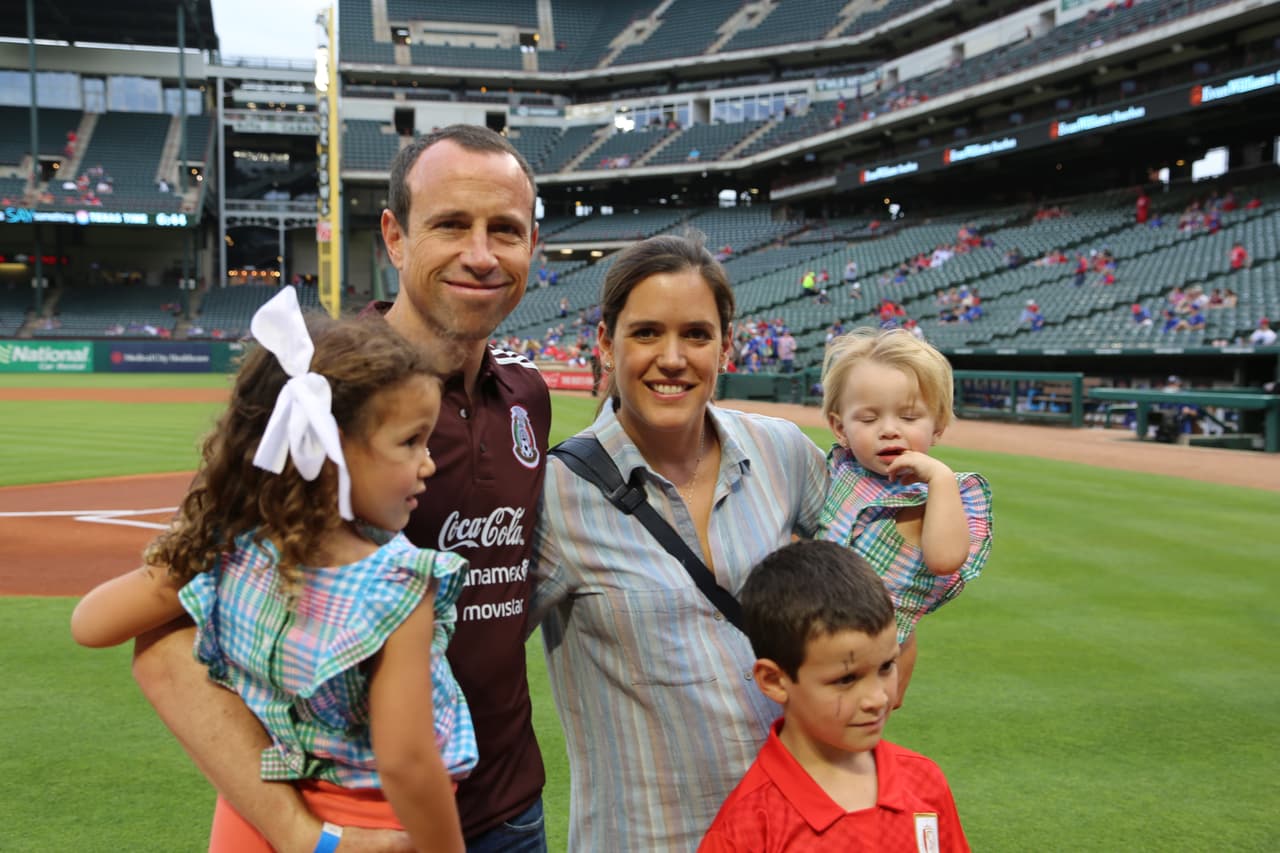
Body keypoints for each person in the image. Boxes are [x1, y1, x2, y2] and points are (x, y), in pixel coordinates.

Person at [128, 124, 550, 852]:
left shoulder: (528, 396)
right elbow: (164, 639)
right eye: (451, 224)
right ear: (394, 235)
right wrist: (300, 831)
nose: (482, 254)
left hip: (511, 812)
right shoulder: (320, 398)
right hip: (358, 827)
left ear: (532, 247)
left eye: (505, 230)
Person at [72, 289, 472, 852]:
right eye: (411, 442)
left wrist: (199, 549)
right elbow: (408, 763)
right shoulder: (399, 583)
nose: (428, 461)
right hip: (373, 821)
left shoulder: (236, 553)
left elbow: (91, 623)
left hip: (257, 808)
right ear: (329, 453)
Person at [530, 233, 826, 851]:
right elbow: (468, 661)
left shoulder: (783, 452)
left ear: (726, 345)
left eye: (696, 334)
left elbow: (878, 584)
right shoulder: (553, 495)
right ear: (606, 343)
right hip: (648, 838)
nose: (672, 358)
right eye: (645, 334)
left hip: (792, 828)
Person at [700, 540, 970, 852]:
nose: (877, 699)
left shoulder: (924, 781)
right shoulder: (746, 829)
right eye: (846, 679)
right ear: (774, 680)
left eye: (886, 667)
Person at [818, 328, 992, 707]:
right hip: (809, 638)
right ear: (839, 427)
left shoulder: (941, 495)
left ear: (939, 425)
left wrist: (940, 479)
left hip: (877, 652)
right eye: (867, 419)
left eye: (910, 416)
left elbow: (945, 559)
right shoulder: (836, 472)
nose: (889, 429)